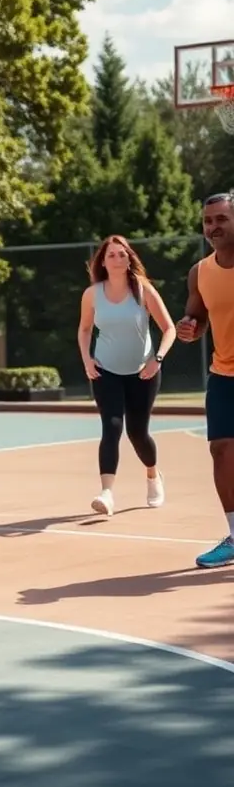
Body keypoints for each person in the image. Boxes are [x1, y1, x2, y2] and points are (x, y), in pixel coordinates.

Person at [77, 234, 176, 516]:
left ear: (129, 258)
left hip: (142, 372)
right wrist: (87, 359)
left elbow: (168, 328)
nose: (118, 258)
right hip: (105, 370)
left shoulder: (143, 290)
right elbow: (84, 330)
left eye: (122, 254)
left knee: (138, 432)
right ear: (103, 262)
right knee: (111, 426)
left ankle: (153, 476)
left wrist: (157, 360)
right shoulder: (92, 294)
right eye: (111, 255)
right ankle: (106, 493)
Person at [177, 192, 234, 568]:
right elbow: (196, 319)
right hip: (224, 375)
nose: (212, 227)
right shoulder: (200, 272)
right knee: (221, 451)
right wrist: (189, 328)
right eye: (207, 221)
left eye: (221, 219)